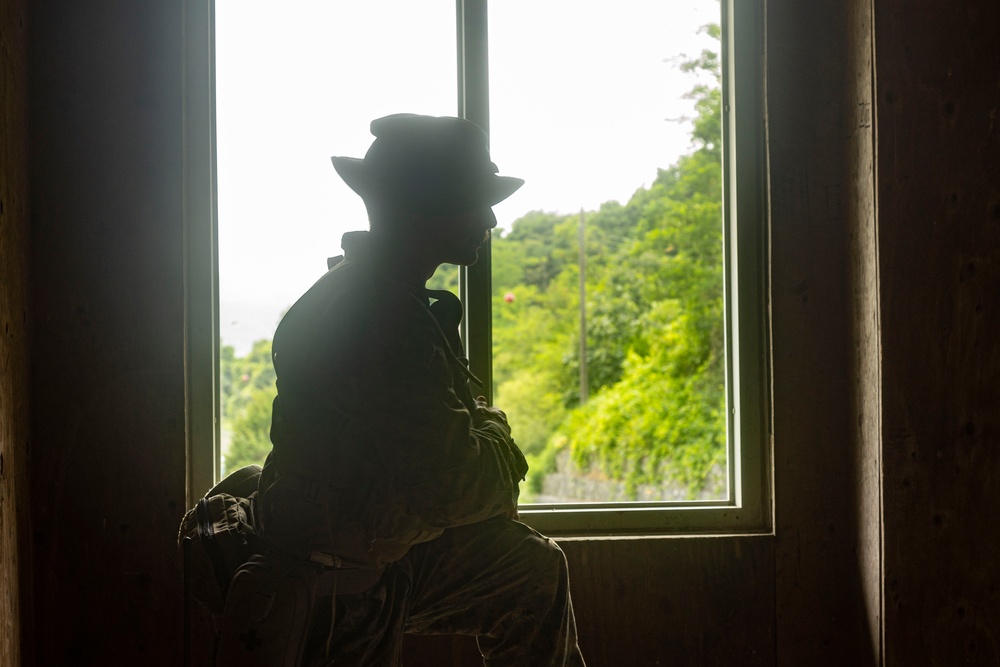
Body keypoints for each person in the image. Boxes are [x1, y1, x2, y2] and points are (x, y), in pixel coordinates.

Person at [253, 113, 586, 666]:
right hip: (345, 581)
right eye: (472, 200)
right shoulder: (386, 319)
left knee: (531, 568)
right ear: (423, 211)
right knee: (530, 569)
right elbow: (460, 488)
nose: (492, 218)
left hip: (345, 552)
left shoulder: (365, 296)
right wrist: (496, 432)